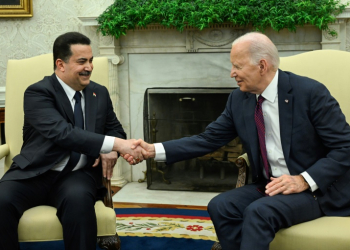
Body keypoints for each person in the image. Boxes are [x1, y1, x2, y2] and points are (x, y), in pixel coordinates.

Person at [124, 32, 350, 250]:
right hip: (271, 184)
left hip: (314, 189)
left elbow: (345, 146)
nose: (232, 73)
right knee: (220, 206)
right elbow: (208, 139)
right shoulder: (239, 99)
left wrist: (303, 180)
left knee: (259, 212)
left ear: (262, 66)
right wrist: (152, 150)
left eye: (238, 66)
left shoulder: (310, 93)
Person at [0, 32, 143, 250]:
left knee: (79, 203)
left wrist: (112, 150)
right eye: (82, 61)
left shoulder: (99, 93)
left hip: (77, 174)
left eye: (91, 60)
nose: (89, 67)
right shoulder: (38, 92)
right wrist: (115, 145)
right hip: (35, 172)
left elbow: (115, 130)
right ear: (61, 64)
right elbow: (63, 133)